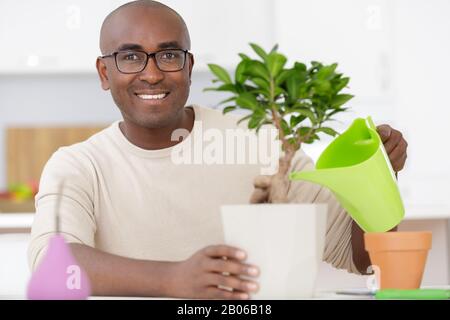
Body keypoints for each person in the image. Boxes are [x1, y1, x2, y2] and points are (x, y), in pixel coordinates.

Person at [28, 0, 408, 299]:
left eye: (168, 54)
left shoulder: (258, 141)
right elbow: (52, 266)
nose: (152, 73)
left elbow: (365, 259)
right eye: (130, 56)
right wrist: (174, 280)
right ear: (104, 73)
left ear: (189, 67)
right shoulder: (77, 166)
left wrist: (375, 174)